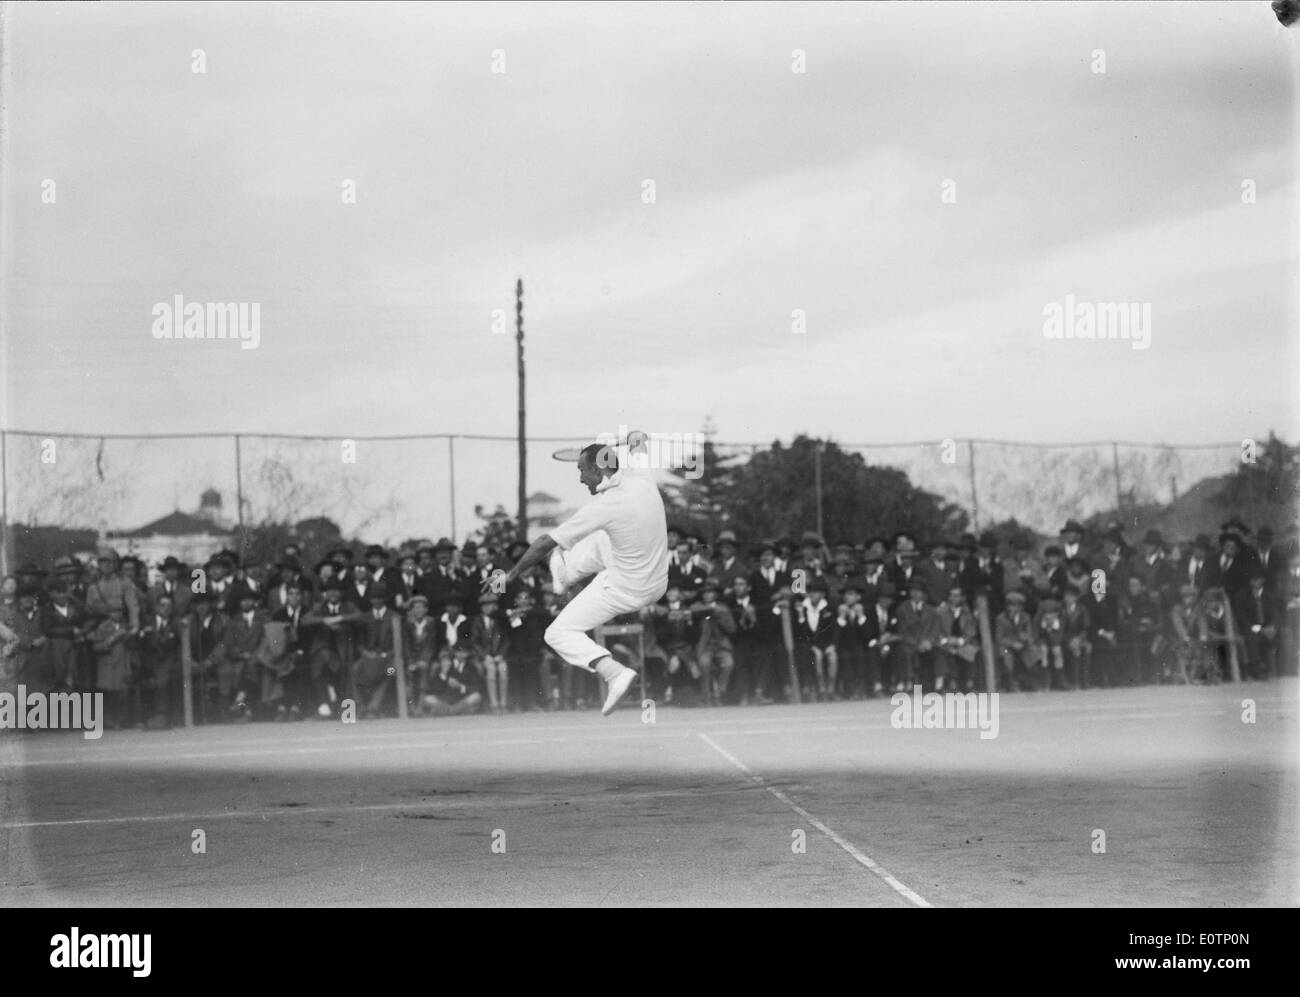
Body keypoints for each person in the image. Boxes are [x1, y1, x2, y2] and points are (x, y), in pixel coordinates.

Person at [490, 437, 668, 716]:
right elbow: (638, 438)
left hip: (626, 588)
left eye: (582, 471)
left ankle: (613, 673)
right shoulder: (642, 476)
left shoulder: (604, 506)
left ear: (599, 471)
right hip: (658, 581)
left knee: (558, 633)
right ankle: (564, 574)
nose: (581, 479)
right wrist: (618, 440)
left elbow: (542, 543)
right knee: (601, 539)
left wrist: (511, 575)